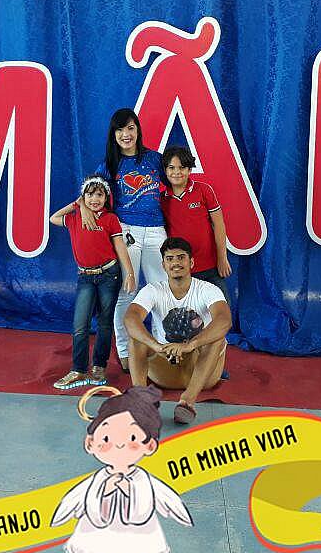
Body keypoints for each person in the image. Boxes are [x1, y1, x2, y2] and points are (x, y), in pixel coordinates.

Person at [51, 385, 193, 553]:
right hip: (101, 530)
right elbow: (79, 498)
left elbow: (156, 500)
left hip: (133, 532)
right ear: (90, 442)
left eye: (132, 438)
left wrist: (129, 489)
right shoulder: (100, 478)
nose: (118, 445)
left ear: (150, 445)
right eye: (106, 438)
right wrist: (105, 489)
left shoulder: (141, 478)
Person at [79, 109, 167, 373]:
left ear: (138, 129)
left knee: (162, 290)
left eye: (130, 128)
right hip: (126, 231)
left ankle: (163, 348)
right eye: (120, 130)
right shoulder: (109, 164)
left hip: (156, 231)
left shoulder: (154, 159)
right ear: (113, 134)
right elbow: (89, 191)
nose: (125, 134)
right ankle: (126, 352)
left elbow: (176, 183)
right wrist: (82, 207)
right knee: (126, 292)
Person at [123, 237, 230, 425]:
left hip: (201, 372)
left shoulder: (208, 289)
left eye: (181, 257)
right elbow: (130, 318)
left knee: (217, 338)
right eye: (170, 259)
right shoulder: (153, 290)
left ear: (191, 262)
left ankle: (187, 402)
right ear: (163, 265)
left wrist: (190, 345)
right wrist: (156, 346)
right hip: (166, 367)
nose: (176, 263)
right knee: (136, 337)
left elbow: (224, 320)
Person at [51, 176, 136, 390]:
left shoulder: (110, 219)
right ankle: (78, 368)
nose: (94, 199)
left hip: (109, 275)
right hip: (86, 277)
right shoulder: (75, 218)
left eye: (99, 194)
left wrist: (129, 273)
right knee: (80, 325)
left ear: (106, 197)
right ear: (83, 197)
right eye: (89, 195)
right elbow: (54, 218)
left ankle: (99, 366)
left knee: (105, 323)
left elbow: (120, 246)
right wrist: (78, 205)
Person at [160, 145, 231, 301]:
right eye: (171, 167)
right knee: (189, 313)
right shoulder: (161, 199)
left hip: (211, 266)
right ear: (165, 170)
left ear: (190, 169)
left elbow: (219, 224)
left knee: (222, 309)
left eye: (182, 167)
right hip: (182, 270)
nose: (177, 172)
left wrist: (222, 258)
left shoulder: (204, 190)